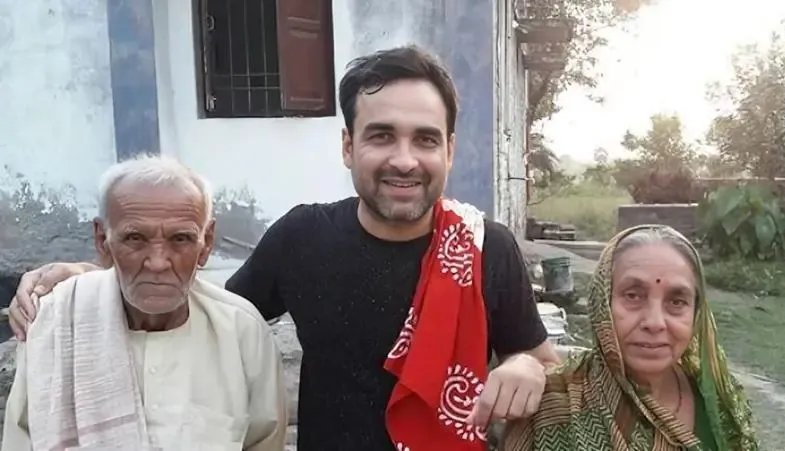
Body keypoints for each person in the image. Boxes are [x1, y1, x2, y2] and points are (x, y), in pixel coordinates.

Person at [9, 45, 560, 451]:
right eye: (381, 135)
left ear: (450, 150)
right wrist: (93, 277)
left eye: (425, 139)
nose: (404, 159)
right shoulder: (302, 237)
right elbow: (206, 307)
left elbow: (540, 361)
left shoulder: (486, 247)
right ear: (348, 146)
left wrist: (528, 369)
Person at [2, 156, 287, 450]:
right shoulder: (53, 321)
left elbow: (264, 442)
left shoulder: (242, 331)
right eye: (135, 238)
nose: (158, 262)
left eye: (181, 239)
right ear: (102, 241)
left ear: (206, 243)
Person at [502, 225, 758, 451]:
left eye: (677, 302)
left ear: (696, 314)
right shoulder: (549, 405)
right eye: (633, 296)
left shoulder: (720, 400)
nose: (655, 323)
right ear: (602, 302)